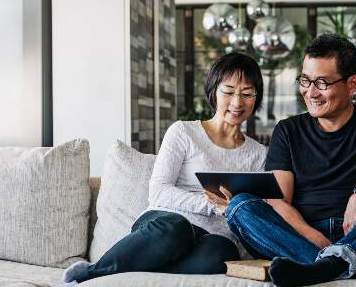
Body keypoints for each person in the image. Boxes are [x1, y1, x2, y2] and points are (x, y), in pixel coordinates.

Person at [206, 34, 356, 287]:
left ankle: (321, 267)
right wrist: (311, 235)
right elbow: (279, 201)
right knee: (240, 206)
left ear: (352, 84)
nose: (310, 92)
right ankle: (345, 265)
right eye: (305, 80)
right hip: (301, 236)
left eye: (322, 82)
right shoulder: (288, 130)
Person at [60, 52, 267, 286]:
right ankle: (91, 273)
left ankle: (138, 267)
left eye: (247, 94)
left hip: (210, 239)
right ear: (214, 91)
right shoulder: (183, 132)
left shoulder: (259, 155)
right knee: (176, 229)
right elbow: (158, 191)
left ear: (256, 98)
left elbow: (254, 208)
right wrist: (213, 205)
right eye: (228, 91)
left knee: (222, 252)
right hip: (164, 225)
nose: (237, 102)